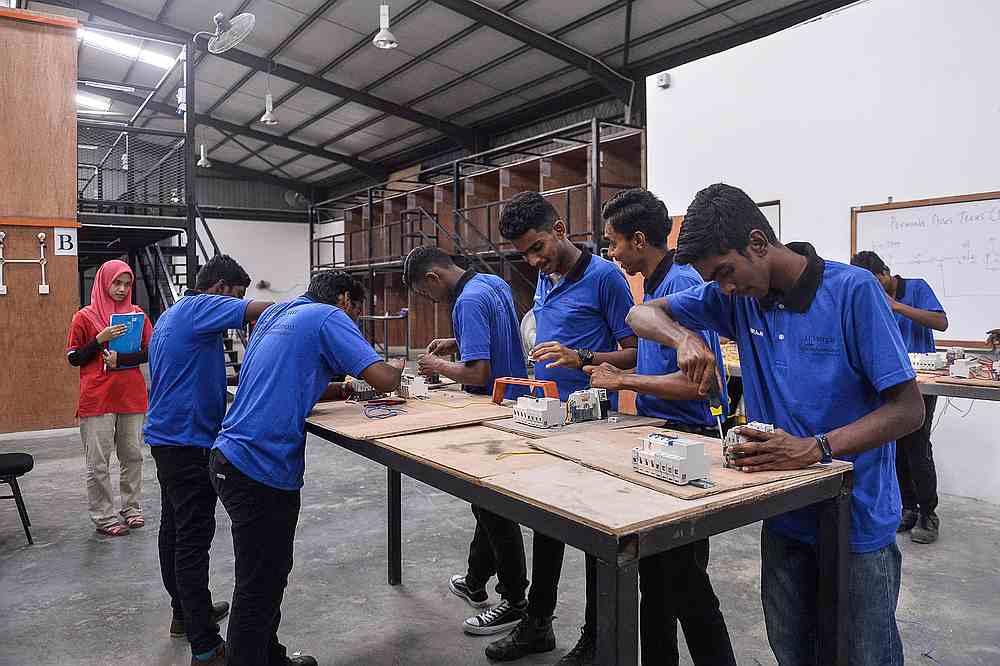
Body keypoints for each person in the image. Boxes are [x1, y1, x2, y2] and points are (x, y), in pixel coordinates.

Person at [626, 183, 925, 666]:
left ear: (759, 244)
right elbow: (640, 311)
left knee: (864, 654)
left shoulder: (852, 292)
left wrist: (814, 449)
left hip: (857, 519)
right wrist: (682, 337)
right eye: (713, 280)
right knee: (791, 650)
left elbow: (909, 410)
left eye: (725, 272)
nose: (723, 288)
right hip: (785, 517)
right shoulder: (737, 298)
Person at [209, 270, 405, 666]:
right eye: (356, 312)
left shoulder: (276, 315)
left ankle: (270, 656)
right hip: (259, 467)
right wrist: (401, 368)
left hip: (230, 456)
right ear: (346, 301)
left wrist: (344, 388)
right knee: (257, 583)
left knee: (270, 570)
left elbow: (286, 377)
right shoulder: (328, 317)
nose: (354, 320)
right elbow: (384, 380)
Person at [583, 188, 737, 666]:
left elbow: (700, 385)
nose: (611, 253)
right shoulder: (653, 285)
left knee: (686, 582)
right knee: (657, 580)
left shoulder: (682, 285)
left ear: (640, 239)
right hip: (659, 430)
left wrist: (623, 378)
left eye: (613, 242)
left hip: (690, 439)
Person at [486, 192, 637, 663]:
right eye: (523, 254)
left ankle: (596, 638)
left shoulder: (606, 278)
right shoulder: (545, 279)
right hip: (547, 420)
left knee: (595, 535)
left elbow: (635, 352)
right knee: (545, 523)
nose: (532, 260)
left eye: (537, 248)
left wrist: (582, 358)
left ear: (559, 231)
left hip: (593, 424)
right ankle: (538, 625)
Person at [144, 255, 274, 665]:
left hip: (167, 438)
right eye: (236, 295)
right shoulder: (203, 306)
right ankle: (204, 643)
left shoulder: (172, 314)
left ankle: (184, 613)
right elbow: (263, 310)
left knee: (175, 529)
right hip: (187, 443)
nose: (237, 306)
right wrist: (308, 310)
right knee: (193, 540)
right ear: (219, 289)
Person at [402, 246, 530, 637]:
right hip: (517, 404)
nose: (430, 299)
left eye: (426, 294)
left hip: (490, 411)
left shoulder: (466, 302)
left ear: (432, 279)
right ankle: (476, 581)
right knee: (487, 503)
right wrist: (454, 343)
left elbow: (477, 373)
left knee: (495, 511)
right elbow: (496, 341)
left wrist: (437, 365)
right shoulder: (492, 283)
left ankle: (513, 601)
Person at [851, 250, 948, 544]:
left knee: (917, 447)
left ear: (885, 272)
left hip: (921, 382)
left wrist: (897, 307)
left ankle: (928, 513)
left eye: (877, 284)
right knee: (894, 446)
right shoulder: (870, 295)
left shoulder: (916, 287)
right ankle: (908, 508)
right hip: (888, 380)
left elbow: (941, 322)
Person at [66, 259, 153, 537]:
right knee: (98, 463)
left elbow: (151, 351)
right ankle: (103, 516)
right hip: (98, 399)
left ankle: (132, 508)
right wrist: (99, 339)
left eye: (127, 284)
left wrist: (122, 358)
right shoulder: (84, 317)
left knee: (133, 456)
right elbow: (74, 358)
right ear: (104, 281)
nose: (122, 288)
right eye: (117, 282)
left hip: (131, 396)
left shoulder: (137, 315)